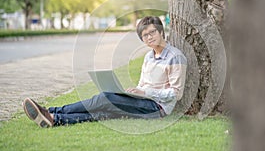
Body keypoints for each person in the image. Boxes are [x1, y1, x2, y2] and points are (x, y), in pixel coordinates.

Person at [23, 16, 187, 128]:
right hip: (143, 101)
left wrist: (145, 91)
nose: (149, 37)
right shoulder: (148, 57)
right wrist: (134, 93)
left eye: (152, 32)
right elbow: (143, 84)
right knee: (104, 112)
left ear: (161, 31)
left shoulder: (175, 57)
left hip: (157, 109)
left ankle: (52, 110)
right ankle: (54, 119)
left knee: (105, 97)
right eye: (145, 35)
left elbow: (176, 94)